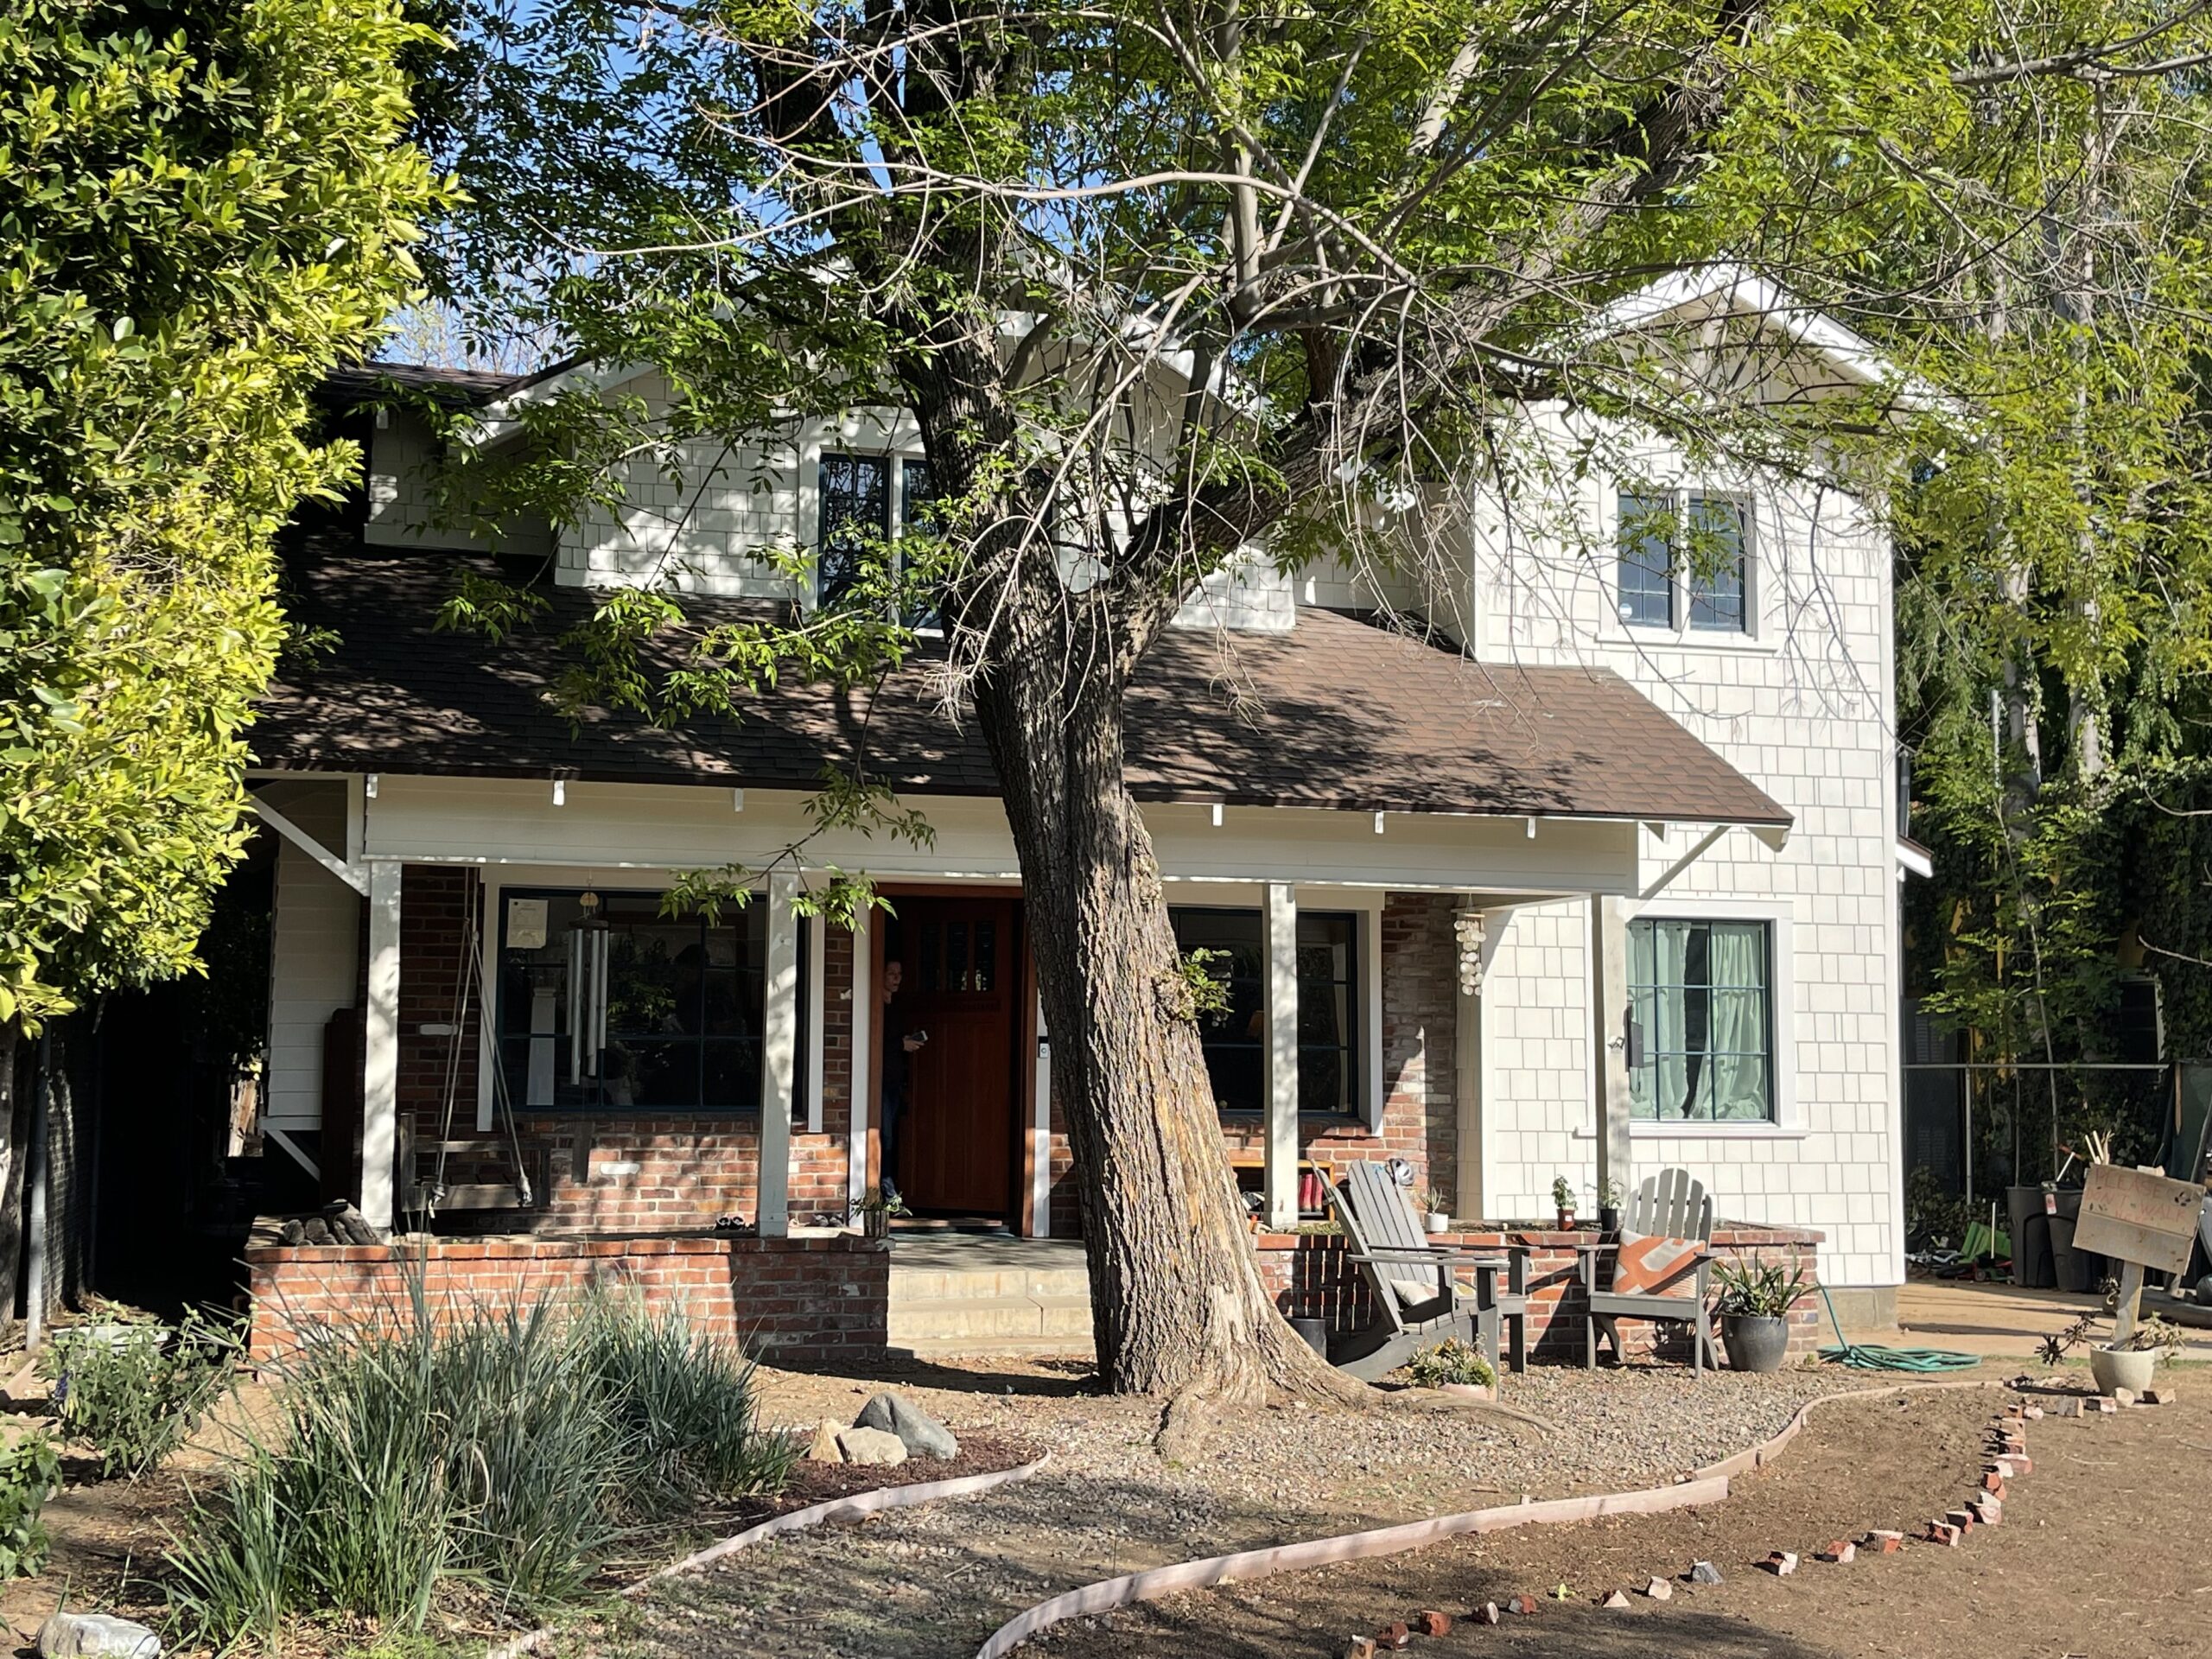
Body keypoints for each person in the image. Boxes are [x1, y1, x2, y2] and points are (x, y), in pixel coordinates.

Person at [878, 959, 925, 1205]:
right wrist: (900, 1044)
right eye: (891, 973)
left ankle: (889, 1188)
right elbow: (875, 1041)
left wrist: (905, 1041)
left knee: (892, 1136)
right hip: (880, 1082)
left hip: (895, 1081)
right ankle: (887, 1191)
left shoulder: (895, 1007)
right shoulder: (875, 1007)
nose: (896, 978)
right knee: (884, 1137)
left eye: (899, 974)